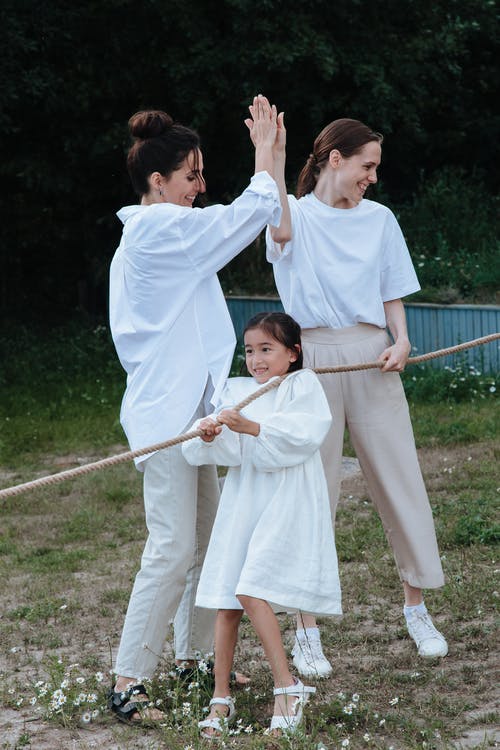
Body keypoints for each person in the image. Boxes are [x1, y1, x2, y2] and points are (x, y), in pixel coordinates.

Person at [107, 96, 282, 723]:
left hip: (193, 419)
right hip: (166, 420)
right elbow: (243, 220)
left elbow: (232, 225)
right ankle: (129, 680)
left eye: (203, 175)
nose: (201, 188)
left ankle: (195, 659)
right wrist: (266, 155)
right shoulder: (157, 230)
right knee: (173, 546)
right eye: (192, 176)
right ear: (159, 182)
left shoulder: (161, 233)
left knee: (211, 539)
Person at [264, 116, 448, 677]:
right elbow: (274, 217)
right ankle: (306, 629)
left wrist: (403, 340)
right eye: (367, 165)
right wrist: (270, 152)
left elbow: (392, 288)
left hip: (373, 355)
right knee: (310, 490)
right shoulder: (294, 217)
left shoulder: (382, 219)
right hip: (312, 360)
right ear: (335, 159)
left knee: (400, 478)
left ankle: (416, 607)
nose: (373, 177)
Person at [182, 312, 342, 738]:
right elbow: (229, 447)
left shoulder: (302, 386)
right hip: (245, 498)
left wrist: (250, 426)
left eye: (266, 349)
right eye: (250, 350)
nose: (256, 359)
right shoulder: (238, 391)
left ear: (293, 353)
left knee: (251, 589)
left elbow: (303, 436)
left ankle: (288, 687)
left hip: (287, 498)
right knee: (227, 599)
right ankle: (221, 697)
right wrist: (212, 434)